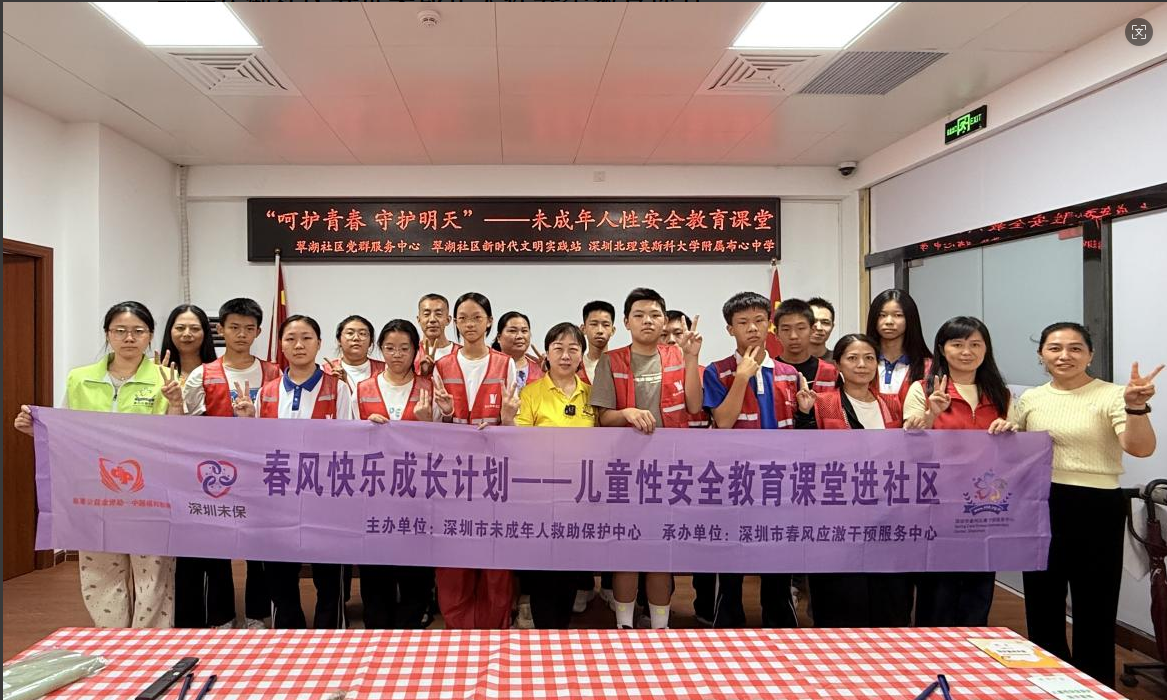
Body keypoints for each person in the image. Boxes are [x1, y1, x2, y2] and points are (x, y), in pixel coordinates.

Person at [14, 301, 181, 628]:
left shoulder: (165, 378)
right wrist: (36, 429)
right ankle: (112, 640)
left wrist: (175, 402)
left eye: (138, 331)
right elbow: (66, 430)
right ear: (107, 334)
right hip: (93, 491)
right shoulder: (80, 378)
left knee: (153, 573)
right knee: (100, 573)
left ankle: (148, 643)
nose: (129, 338)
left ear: (150, 336)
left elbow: (175, 438)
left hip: (149, 492)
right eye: (120, 330)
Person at [1015, 322, 1160, 687]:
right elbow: (1016, 446)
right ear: (1041, 355)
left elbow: (1141, 448)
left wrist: (1136, 408)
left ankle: (1092, 687)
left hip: (1097, 506)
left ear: (1090, 355)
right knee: (1042, 603)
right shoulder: (1031, 398)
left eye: (1075, 348)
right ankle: (1048, 684)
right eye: (1055, 348)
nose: (1064, 355)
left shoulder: (1113, 395)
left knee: (1095, 605)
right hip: (1040, 503)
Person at [589, 287, 704, 629]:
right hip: (625, 468)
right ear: (626, 322)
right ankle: (624, 625)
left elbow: (694, 406)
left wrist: (692, 359)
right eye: (639, 315)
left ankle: (659, 627)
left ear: (664, 321)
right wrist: (627, 412)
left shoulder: (678, 355)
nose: (647, 321)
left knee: (660, 552)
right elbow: (603, 418)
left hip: (670, 468)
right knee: (626, 552)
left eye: (655, 315)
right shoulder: (612, 361)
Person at [232, 315, 355, 629]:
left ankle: (330, 633)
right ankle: (288, 631)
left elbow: (348, 444)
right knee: (279, 573)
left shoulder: (338, 390)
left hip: (324, 497)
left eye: (306, 338)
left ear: (319, 343)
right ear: (281, 345)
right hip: (278, 498)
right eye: (290, 339)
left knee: (328, 575)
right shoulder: (267, 392)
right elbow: (256, 450)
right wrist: (247, 421)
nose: (299, 345)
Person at [902, 316, 1018, 627]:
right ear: (942, 349)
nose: (967, 351)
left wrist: (1011, 431)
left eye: (975, 344)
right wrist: (932, 413)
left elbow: (1015, 450)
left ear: (986, 349)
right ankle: (932, 648)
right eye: (957, 344)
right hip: (937, 503)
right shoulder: (922, 389)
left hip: (985, 504)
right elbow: (910, 442)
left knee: (978, 588)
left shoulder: (1001, 394)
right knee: (938, 590)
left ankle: (973, 648)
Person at [794, 334, 914, 627]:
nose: (862, 364)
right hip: (838, 515)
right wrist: (805, 415)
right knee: (842, 596)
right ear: (837, 365)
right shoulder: (823, 403)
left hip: (885, 513)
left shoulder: (893, 404)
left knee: (888, 596)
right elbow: (807, 454)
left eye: (869, 358)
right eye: (852, 358)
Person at [703, 292, 802, 629]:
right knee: (730, 563)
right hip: (735, 482)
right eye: (743, 322)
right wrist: (742, 376)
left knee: (777, 561)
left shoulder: (789, 373)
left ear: (769, 324)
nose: (753, 328)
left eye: (760, 320)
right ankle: (727, 623)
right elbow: (724, 421)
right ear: (730, 329)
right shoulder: (718, 371)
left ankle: (780, 624)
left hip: (780, 482)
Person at [181, 297, 280, 630]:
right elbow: (188, 428)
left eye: (249, 328)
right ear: (220, 329)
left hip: (262, 473)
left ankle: (257, 614)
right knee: (216, 548)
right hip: (215, 476)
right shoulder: (202, 375)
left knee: (260, 548)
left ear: (258, 332)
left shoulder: (274, 373)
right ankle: (221, 615)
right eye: (234, 327)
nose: (241, 334)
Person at [432, 292, 521, 628]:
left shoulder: (505, 363)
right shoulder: (442, 366)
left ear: (489, 321)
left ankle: (496, 622)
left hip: (493, 471)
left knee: (494, 551)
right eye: (463, 318)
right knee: (455, 550)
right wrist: (445, 414)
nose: (469, 325)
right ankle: (458, 623)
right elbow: (435, 425)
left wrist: (505, 420)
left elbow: (512, 421)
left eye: (476, 318)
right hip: (452, 474)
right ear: (454, 322)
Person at [514, 322, 597, 628]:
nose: (565, 356)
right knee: (542, 570)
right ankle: (544, 630)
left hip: (579, 496)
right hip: (540, 496)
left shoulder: (592, 394)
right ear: (547, 354)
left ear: (581, 355)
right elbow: (520, 440)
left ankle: (561, 628)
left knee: (570, 567)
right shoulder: (530, 393)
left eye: (573, 349)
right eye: (558, 349)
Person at [356, 319, 438, 628]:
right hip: (374, 491)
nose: (397, 354)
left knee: (415, 569)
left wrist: (428, 422)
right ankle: (377, 628)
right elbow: (347, 437)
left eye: (405, 348)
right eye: (390, 348)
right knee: (376, 568)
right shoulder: (363, 389)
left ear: (416, 350)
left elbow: (444, 442)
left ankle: (411, 624)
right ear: (380, 349)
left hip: (417, 491)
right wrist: (365, 429)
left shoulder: (430, 387)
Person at [160, 304, 237, 629]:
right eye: (180, 327)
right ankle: (183, 619)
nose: (187, 334)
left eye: (195, 328)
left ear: (206, 333)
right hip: (167, 471)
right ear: (169, 331)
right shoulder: (155, 372)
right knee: (178, 551)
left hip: (211, 473)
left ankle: (221, 616)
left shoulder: (216, 372)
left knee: (214, 545)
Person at [866, 289, 932, 405]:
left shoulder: (929, 367)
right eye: (882, 315)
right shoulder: (862, 364)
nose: (889, 321)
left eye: (898, 315)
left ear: (910, 319)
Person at [776, 299, 838, 394]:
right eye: (786, 329)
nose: (793, 336)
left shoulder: (830, 372)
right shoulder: (768, 371)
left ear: (812, 330)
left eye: (801, 328)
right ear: (776, 333)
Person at [323, 314, 385, 395]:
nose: (356, 338)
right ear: (339, 340)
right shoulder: (325, 371)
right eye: (350, 333)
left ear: (371, 342)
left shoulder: (384, 370)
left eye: (362, 333)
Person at [494, 311, 543, 390]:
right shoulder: (488, 367)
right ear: (499, 337)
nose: (520, 336)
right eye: (513, 331)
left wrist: (552, 371)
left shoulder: (541, 370)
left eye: (524, 331)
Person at [414, 293, 461, 376]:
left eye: (438, 314)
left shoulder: (461, 353)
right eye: (426, 314)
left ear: (448, 320)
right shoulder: (411, 353)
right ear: (419, 320)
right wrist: (424, 375)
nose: (432, 319)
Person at [579, 300, 616, 383]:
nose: (600, 330)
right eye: (594, 324)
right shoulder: (574, 366)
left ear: (613, 330)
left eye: (606, 325)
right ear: (583, 329)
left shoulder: (621, 365)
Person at [806, 297, 836, 361]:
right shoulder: (787, 361)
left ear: (832, 327)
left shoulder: (840, 361)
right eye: (813, 321)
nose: (819, 328)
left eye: (825, 322)